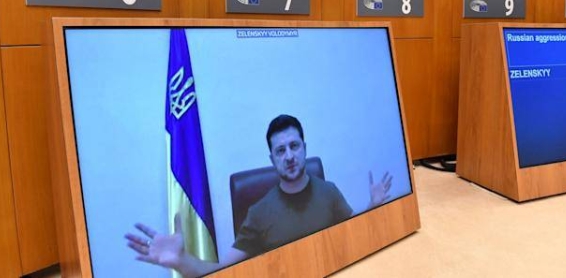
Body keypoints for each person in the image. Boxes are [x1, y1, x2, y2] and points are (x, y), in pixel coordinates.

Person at [125, 114, 393, 277]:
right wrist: (184, 263)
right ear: (272, 159)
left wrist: (373, 206)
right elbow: (221, 271)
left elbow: (351, 234)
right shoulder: (259, 213)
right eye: (280, 151)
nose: (289, 156)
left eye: (294, 146)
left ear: (304, 149)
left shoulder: (329, 192)